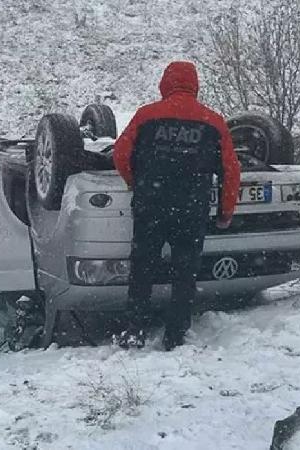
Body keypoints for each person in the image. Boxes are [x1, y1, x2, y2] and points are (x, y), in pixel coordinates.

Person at [113, 61, 241, 350]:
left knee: (142, 269)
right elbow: (231, 170)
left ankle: (134, 330)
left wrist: (136, 181)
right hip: (191, 209)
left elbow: (121, 153)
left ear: (165, 83)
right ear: (194, 85)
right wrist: (226, 211)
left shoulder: (147, 116)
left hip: (151, 206)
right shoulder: (213, 121)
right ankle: (175, 335)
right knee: (185, 274)